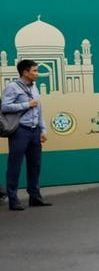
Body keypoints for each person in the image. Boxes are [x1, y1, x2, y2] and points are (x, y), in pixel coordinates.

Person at [2, 59, 50, 211]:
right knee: (15, 165)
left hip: (34, 130)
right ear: (25, 72)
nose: (37, 74)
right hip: (20, 131)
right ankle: (13, 199)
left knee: (35, 164)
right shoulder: (12, 87)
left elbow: (39, 109)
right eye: (34, 71)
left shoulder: (34, 88)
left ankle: (35, 197)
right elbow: (4, 106)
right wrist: (26, 104)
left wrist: (43, 129)